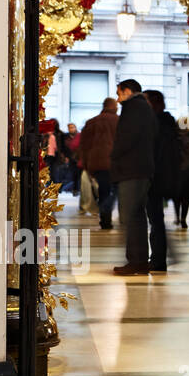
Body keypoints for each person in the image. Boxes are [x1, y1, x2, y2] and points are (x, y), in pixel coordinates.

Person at [109, 80, 159, 276]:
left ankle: (136, 261)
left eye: (119, 93)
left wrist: (115, 156)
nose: (117, 97)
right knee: (137, 215)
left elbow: (126, 138)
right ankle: (139, 260)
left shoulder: (133, 108)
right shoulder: (144, 107)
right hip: (142, 168)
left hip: (132, 169)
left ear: (128, 91)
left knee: (130, 216)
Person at [144, 91, 180, 272]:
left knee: (156, 219)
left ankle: (158, 259)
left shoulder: (157, 123)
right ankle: (159, 257)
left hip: (156, 177)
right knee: (156, 219)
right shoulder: (167, 121)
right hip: (162, 176)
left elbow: (156, 152)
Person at [79, 99, 118, 229]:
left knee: (103, 190)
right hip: (115, 162)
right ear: (113, 107)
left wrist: (86, 164)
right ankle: (110, 216)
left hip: (97, 163)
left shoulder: (91, 122)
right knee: (116, 191)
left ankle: (105, 219)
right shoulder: (119, 121)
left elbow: (84, 146)